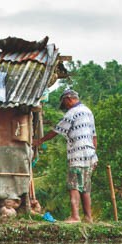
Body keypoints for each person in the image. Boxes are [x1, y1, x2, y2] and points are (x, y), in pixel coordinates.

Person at [33, 89, 97, 223]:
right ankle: (88, 217)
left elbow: (57, 130)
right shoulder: (88, 111)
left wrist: (40, 141)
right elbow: (94, 136)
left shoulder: (72, 113)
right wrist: (94, 155)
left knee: (73, 185)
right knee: (85, 187)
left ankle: (75, 216)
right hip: (90, 154)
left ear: (68, 99)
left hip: (77, 154)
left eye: (64, 104)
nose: (65, 107)